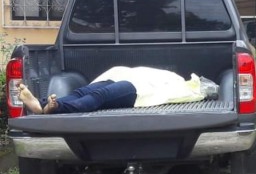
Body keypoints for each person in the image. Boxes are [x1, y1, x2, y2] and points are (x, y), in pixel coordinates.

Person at [17, 66, 206, 114]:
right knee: (82, 92)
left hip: (137, 88)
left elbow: (186, 93)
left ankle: (55, 108)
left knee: (97, 96)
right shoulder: (175, 76)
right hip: (121, 77)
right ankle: (42, 105)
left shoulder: (180, 83)